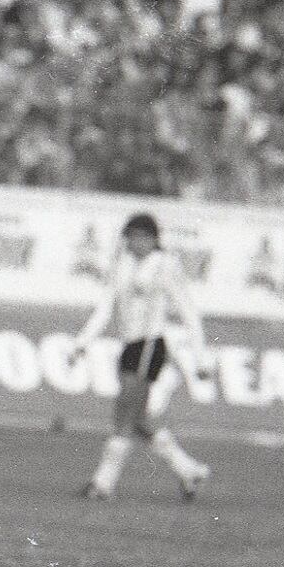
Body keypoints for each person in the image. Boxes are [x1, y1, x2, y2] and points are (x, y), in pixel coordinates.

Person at [72, 212, 211, 502]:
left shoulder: (164, 266)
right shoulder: (122, 265)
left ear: (152, 239)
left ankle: (102, 485)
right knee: (136, 419)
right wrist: (82, 342)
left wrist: (201, 358)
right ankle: (188, 469)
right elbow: (106, 306)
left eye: (139, 237)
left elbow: (188, 311)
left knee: (124, 413)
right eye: (129, 237)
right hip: (129, 345)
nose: (133, 243)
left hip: (150, 345)